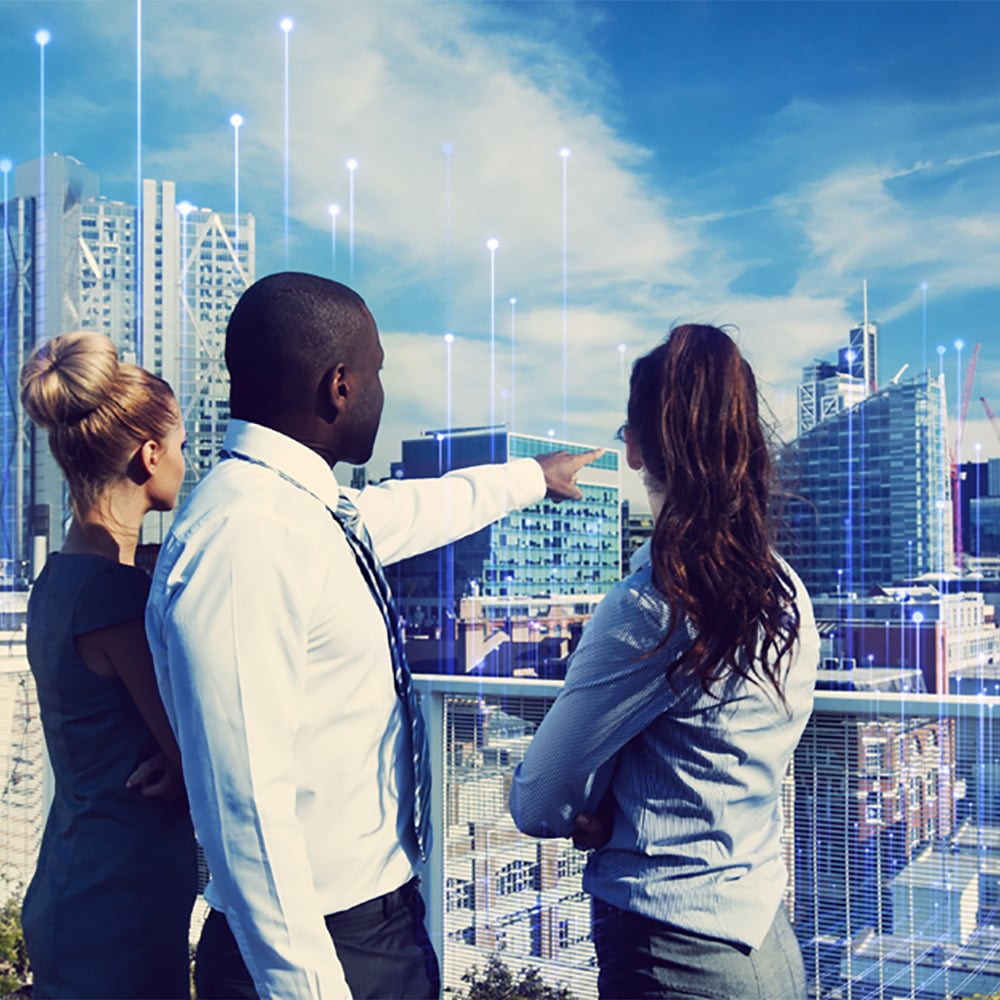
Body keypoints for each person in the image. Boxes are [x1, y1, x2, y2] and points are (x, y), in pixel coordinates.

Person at [145, 271, 600, 999]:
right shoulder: (246, 539)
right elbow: (247, 814)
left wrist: (532, 478)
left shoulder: (304, 511)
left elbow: (411, 510)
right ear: (340, 386)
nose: (384, 389)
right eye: (379, 370)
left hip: (373, 920)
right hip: (313, 947)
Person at [509, 324, 820, 999]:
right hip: (766, 940)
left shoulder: (655, 604)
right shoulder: (785, 590)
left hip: (672, 955)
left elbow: (538, 800)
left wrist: (593, 811)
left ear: (638, 448)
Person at [18, 331, 197, 999]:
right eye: (180, 444)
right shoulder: (114, 598)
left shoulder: (60, 580)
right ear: (149, 455)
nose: (186, 458)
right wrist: (182, 765)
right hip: (120, 900)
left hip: (86, 879)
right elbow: (192, 745)